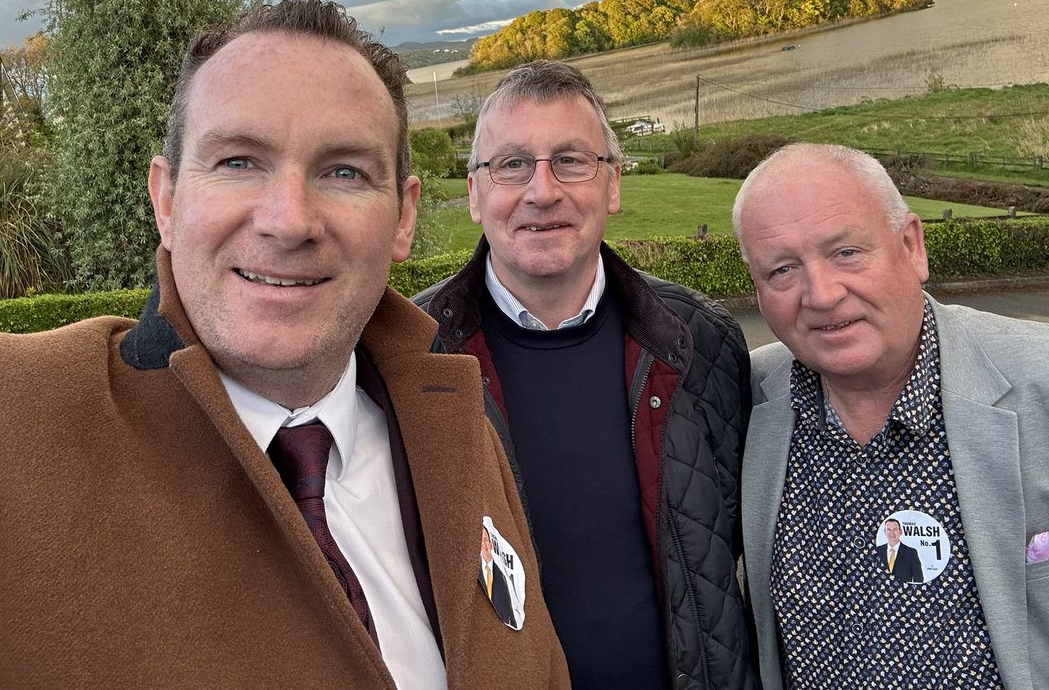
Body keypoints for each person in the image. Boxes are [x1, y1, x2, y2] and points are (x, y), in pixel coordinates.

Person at [0, 0, 568, 688]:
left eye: (343, 171)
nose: (289, 221)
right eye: (237, 162)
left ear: (403, 218)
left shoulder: (460, 433)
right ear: (166, 200)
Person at [413, 60, 758, 689]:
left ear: (613, 186)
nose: (542, 191)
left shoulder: (701, 343)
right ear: (473, 193)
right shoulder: (407, 361)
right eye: (512, 165)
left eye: (571, 161)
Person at [733, 142, 1049, 690]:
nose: (823, 295)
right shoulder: (743, 400)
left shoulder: (1039, 382)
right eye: (782, 269)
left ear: (911, 246)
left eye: (846, 252)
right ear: (758, 293)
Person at [877, 518, 923, 584]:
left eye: (895, 529)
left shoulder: (911, 552)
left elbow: (918, 578)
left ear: (900, 531)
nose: (892, 533)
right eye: (889, 529)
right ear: (885, 532)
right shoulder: (878, 551)